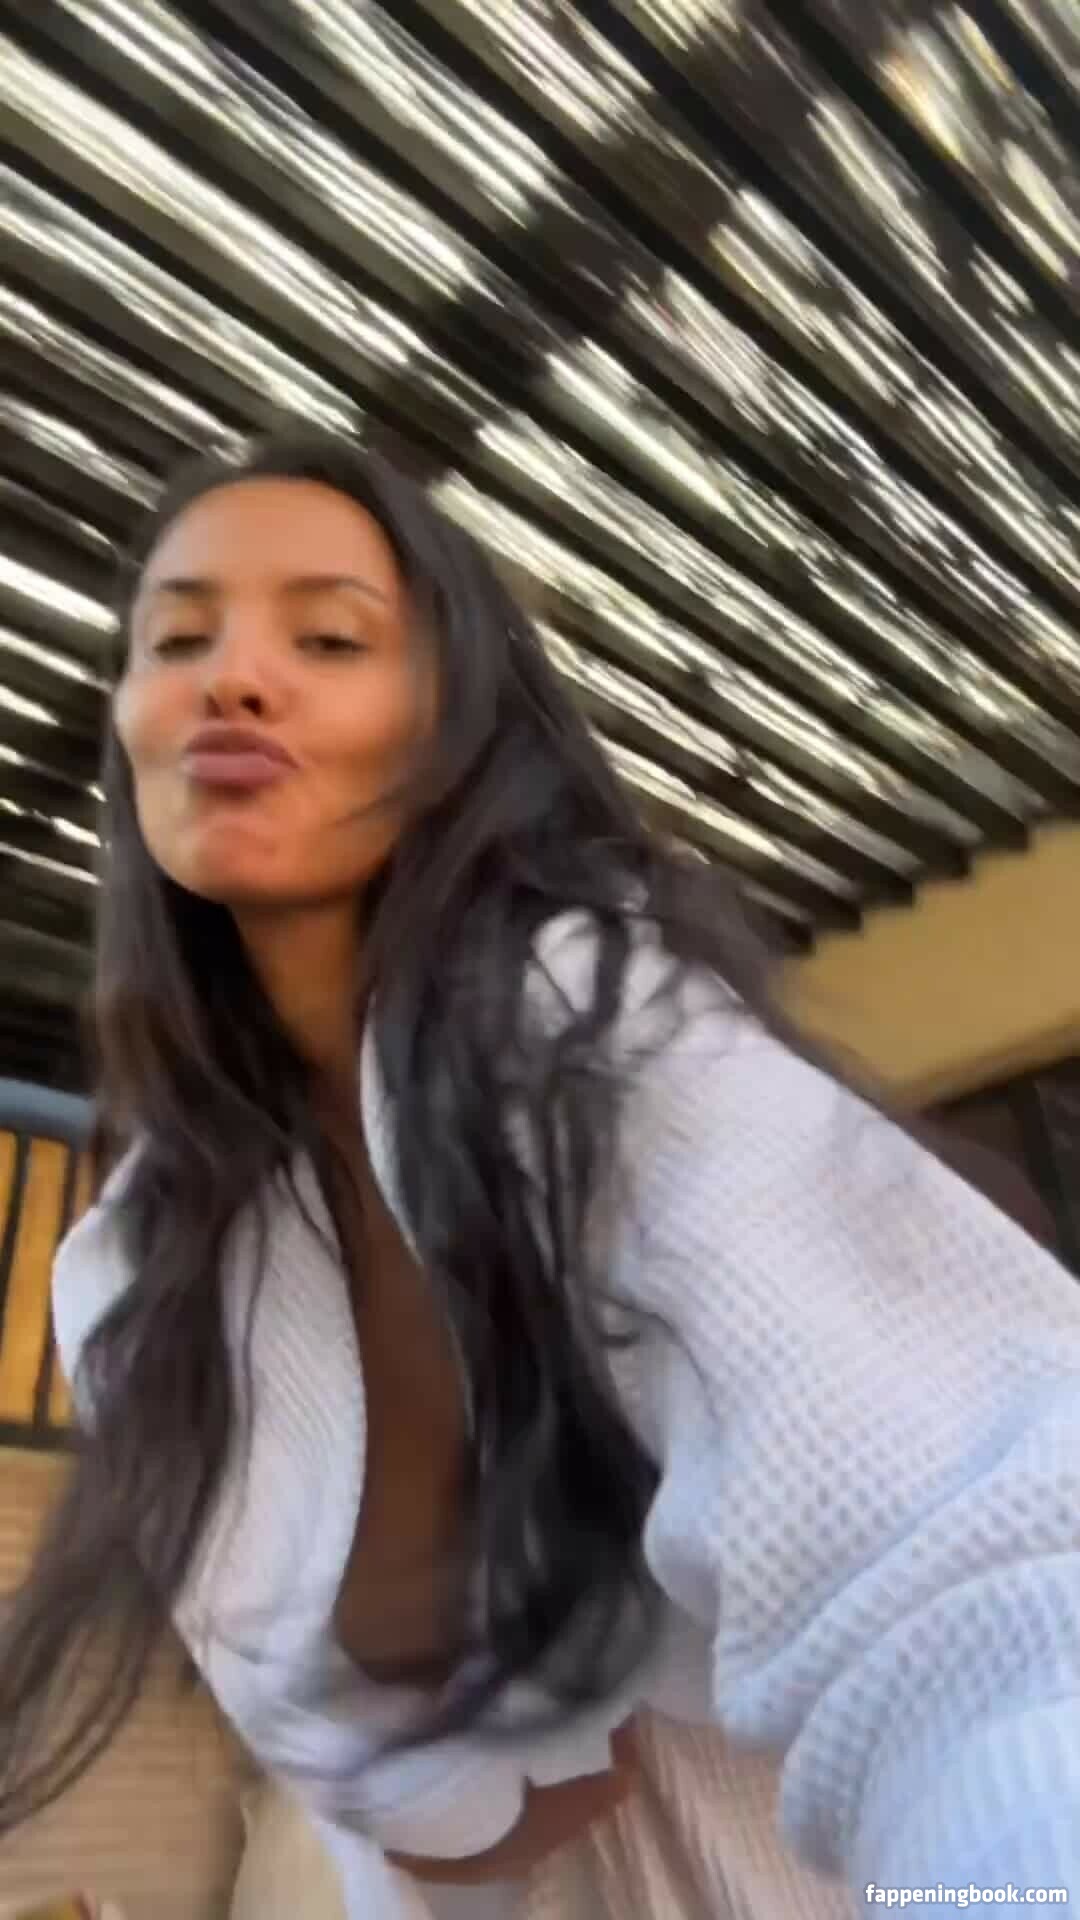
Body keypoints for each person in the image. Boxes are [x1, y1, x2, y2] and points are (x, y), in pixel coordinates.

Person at [4, 431, 1078, 1918]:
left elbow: (985, 1565)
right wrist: (447, 1780)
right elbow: (396, 1810)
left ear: (449, 724)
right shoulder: (128, 1276)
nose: (231, 678)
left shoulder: (599, 1030)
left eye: (329, 638)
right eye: (177, 640)